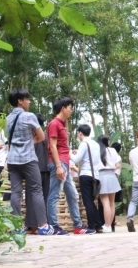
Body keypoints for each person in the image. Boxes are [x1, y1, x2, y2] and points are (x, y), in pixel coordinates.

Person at [5, 90, 54, 236]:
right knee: (36, 191)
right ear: (20, 101)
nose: (29, 102)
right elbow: (42, 136)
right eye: (27, 99)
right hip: (28, 159)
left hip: (12, 160)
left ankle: (17, 227)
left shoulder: (7, 119)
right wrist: (30, 142)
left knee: (16, 192)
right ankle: (43, 225)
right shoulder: (29, 116)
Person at [46, 97, 92, 235]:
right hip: (59, 164)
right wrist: (59, 166)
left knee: (72, 194)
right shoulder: (54, 124)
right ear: (63, 108)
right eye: (70, 108)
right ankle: (53, 226)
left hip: (65, 162)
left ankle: (78, 226)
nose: (72, 110)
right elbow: (52, 147)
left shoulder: (62, 124)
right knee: (54, 195)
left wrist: (69, 153)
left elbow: (60, 146)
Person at [70, 124, 102, 233]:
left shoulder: (84, 144)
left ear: (80, 133)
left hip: (85, 175)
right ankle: (98, 225)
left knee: (87, 201)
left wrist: (69, 152)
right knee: (92, 201)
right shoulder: (96, 144)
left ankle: (92, 226)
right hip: (96, 176)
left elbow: (75, 159)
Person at [25, 114, 50, 234]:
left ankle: (33, 225)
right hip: (47, 170)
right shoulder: (47, 136)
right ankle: (44, 224)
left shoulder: (32, 137)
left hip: (34, 169)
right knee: (44, 197)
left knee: (31, 198)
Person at [97, 135, 121, 233]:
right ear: (107, 142)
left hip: (102, 175)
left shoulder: (97, 152)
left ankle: (107, 225)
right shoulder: (113, 151)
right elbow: (118, 164)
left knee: (105, 202)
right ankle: (109, 225)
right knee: (111, 203)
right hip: (112, 175)